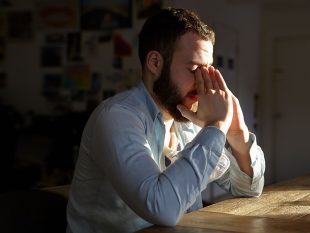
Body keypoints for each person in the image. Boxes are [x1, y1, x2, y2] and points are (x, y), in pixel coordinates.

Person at [66, 7, 265, 233]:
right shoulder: (116, 118)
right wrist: (217, 126)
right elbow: (162, 208)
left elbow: (249, 188)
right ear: (155, 62)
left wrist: (237, 134)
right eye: (194, 69)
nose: (203, 83)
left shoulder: (188, 120)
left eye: (207, 71)